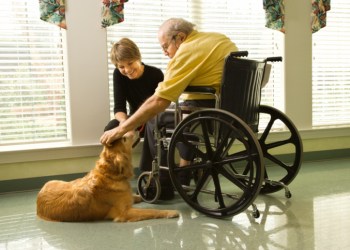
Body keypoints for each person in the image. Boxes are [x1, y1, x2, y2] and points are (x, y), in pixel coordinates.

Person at [100, 18, 238, 198]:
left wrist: (124, 128)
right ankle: (181, 173)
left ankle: (161, 183)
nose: (165, 52)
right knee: (173, 117)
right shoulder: (219, 39)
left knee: (154, 120)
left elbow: (158, 101)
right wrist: (123, 124)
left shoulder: (187, 52)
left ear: (180, 38)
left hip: (206, 112)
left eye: (165, 46)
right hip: (230, 111)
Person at [104, 38, 164, 176]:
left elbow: (159, 105)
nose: (127, 69)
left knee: (152, 126)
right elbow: (119, 107)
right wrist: (125, 125)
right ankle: (115, 175)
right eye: (121, 66)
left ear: (138, 57)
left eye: (130, 63)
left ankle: (150, 174)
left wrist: (129, 127)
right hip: (133, 120)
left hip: (153, 118)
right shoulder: (118, 75)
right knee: (110, 129)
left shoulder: (156, 74)